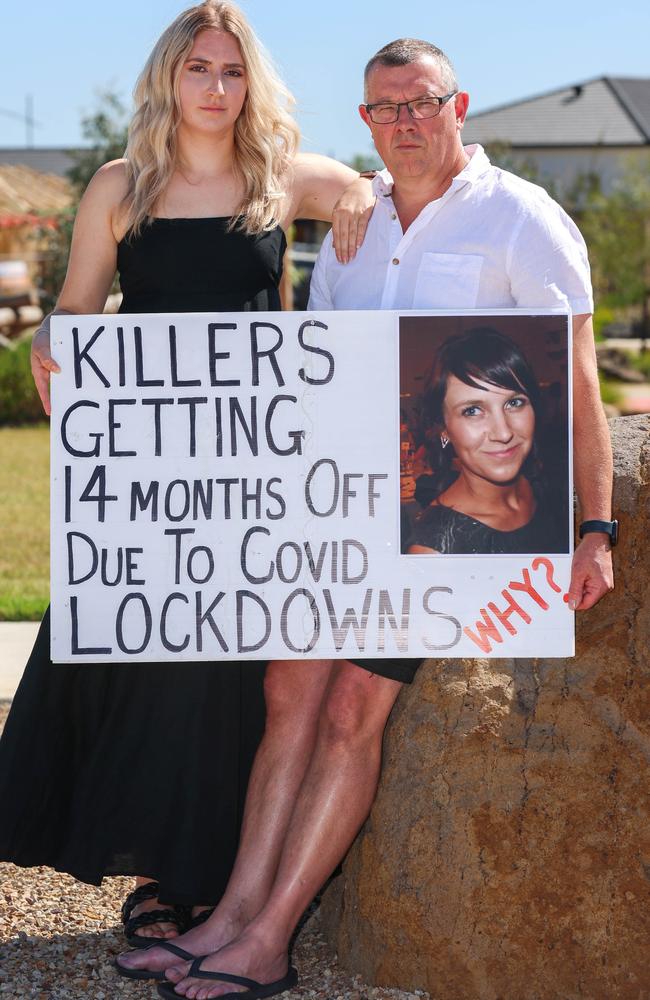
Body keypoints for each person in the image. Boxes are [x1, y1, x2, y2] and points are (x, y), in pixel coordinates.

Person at [118, 37, 615, 1000]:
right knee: (286, 696)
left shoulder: (524, 218)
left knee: (352, 706)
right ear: (366, 123)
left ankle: (269, 943)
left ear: (458, 104)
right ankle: (228, 917)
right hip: (344, 513)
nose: (407, 124)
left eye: (422, 103)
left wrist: (596, 526)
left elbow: (579, 378)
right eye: (387, 110)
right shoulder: (355, 222)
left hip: (453, 534)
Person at [0, 0, 376, 956]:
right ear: (170, 76)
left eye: (233, 71)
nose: (217, 87)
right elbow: (78, 307)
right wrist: (53, 340)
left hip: (257, 453)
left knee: (233, 669)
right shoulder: (120, 185)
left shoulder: (283, 177)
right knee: (149, 655)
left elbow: (381, 195)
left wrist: (367, 201)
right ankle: (159, 877)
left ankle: (213, 875)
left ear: (253, 84)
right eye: (201, 68)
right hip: (151, 459)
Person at [407, 327, 569, 555]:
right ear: (443, 429)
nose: (503, 433)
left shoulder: (548, 487)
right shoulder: (433, 551)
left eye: (514, 403)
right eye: (472, 410)